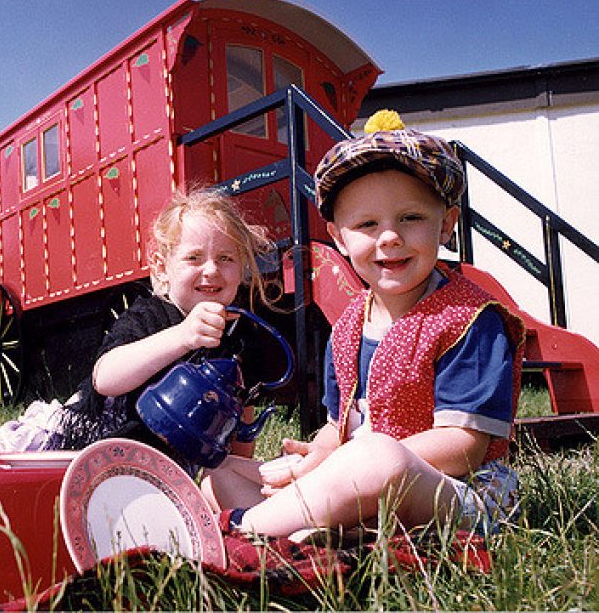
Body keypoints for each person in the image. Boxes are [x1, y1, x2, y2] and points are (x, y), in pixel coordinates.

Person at [201, 110, 526, 538]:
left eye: (410, 218)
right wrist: (319, 454)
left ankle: (244, 528)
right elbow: (341, 426)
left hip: (455, 492)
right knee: (223, 473)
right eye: (367, 224)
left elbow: (463, 447)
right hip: (360, 474)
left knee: (378, 458)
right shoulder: (350, 323)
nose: (389, 237)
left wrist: (344, 463)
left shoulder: (468, 320)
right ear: (339, 237)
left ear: (445, 224)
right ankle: (322, 523)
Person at [0, 186, 276, 474]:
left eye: (225, 259)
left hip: (151, 469)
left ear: (242, 268)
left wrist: (237, 472)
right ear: (161, 267)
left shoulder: (238, 341)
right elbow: (105, 378)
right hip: (83, 447)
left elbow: (237, 439)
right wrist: (183, 336)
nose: (211, 270)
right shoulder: (151, 314)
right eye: (193, 258)